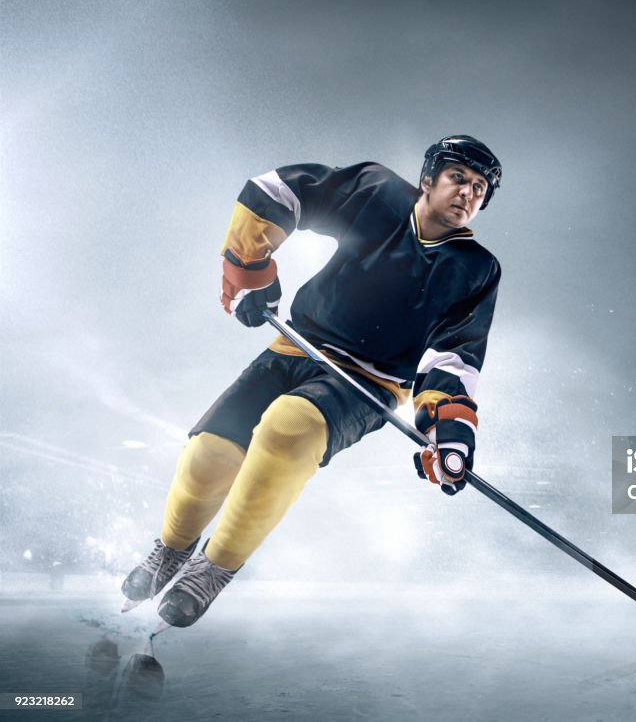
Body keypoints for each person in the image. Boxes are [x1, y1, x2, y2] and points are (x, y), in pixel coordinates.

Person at [121, 136, 503, 628]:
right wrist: (249, 268)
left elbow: (455, 356)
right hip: (295, 347)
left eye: (479, 189)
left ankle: (213, 568)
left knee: (289, 428)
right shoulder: (377, 191)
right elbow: (278, 191)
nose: (468, 194)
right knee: (208, 454)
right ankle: (170, 550)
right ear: (428, 179)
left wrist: (448, 434)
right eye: (459, 178)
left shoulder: (477, 269)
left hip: (368, 384)